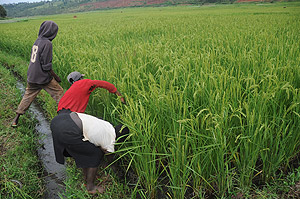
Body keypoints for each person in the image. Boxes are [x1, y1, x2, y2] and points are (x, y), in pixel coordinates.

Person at [50, 109, 129, 194]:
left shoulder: (107, 125)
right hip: (68, 128)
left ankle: (87, 177)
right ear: (120, 139)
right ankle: (90, 187)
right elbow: (111, 160)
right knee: (95, 154)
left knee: (87, 149)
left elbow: (94, 137)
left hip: (60, 119)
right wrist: (117, 171)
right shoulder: (111, 139)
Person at [11, 20, 64, 127]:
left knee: (27, 97)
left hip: (32, 76)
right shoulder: (47, 43)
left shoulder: (37, 41)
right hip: (43, 77)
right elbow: (46, 66)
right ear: (51, 32)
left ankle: (15, 120)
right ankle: (65, 117)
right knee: (60, 93)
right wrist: (56, 77)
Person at [57, 71, 125, 114]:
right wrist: (119, 94)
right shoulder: (85, 82)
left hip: (60, 112)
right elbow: (104, 84)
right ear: (81, 78)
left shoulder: (70, 90)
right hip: (72, 115)